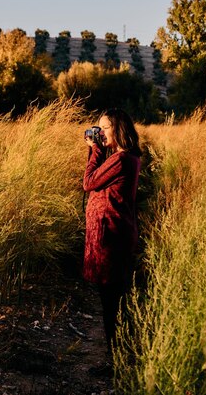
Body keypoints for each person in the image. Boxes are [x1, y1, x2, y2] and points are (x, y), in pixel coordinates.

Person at [82, 108, 141, 353]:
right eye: (98, 127)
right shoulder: (121, 157)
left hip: (111, 237)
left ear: (118, 128)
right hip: (112, 233)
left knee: (111, 303)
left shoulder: (121, 159)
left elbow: (88, 182)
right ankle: (116, 358)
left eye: (105, 128)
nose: (100, 133)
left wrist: (95, 150)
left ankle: (117, 361)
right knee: (112, 302)